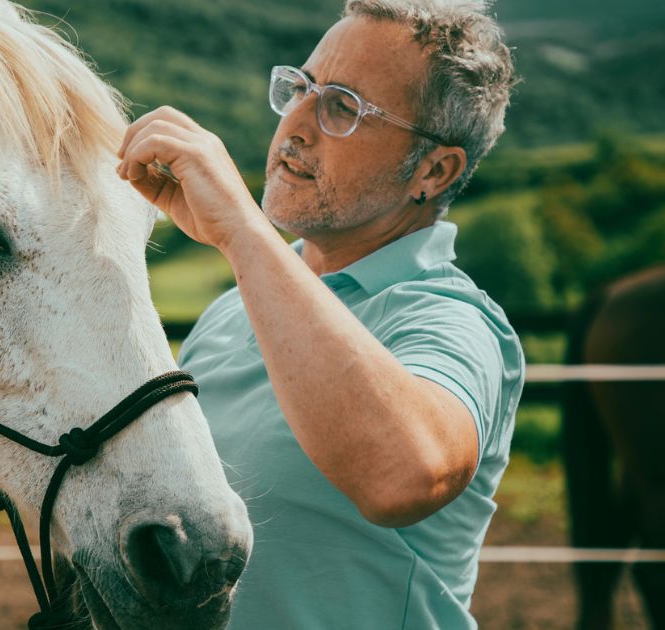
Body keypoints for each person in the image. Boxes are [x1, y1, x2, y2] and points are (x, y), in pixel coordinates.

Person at [115, 0, 522, 627]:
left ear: (434, 171)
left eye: (343, 107)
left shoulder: (452, 319)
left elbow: (401, 476)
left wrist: (243, 232)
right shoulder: (229, 314)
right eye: (300, 89)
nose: (296, 125)